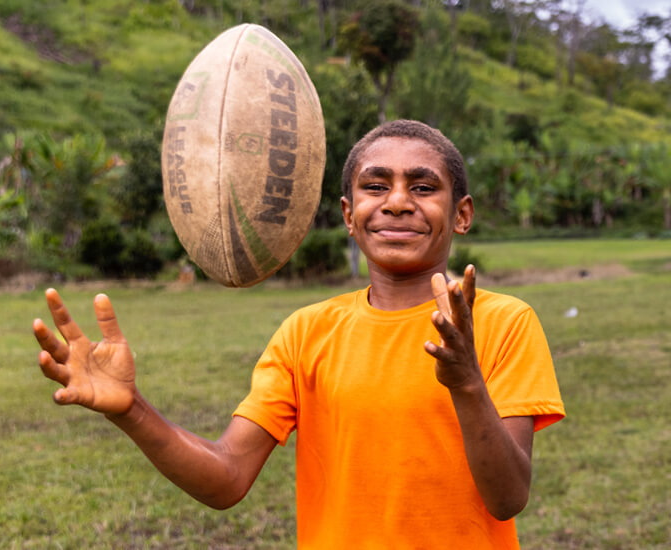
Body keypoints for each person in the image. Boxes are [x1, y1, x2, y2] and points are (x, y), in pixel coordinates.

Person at [33, 120, 564, 549]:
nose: (398, 201)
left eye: (423, 187)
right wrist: (132, 410)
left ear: (461, 214)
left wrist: (467, 382)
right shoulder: (306, 332)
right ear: (348, 216)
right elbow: (227, 477)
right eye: (375, 186)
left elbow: (508, 497)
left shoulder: (503, 322)